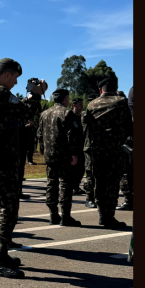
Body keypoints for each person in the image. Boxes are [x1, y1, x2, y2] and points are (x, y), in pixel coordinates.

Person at [0, 58, 45, 279]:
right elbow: (26, 112)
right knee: (7, 206)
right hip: (2, 157)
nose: (16, 83)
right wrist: (36, 94)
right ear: (6, 75)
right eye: (15, 78)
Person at [83, 77, 131, 229]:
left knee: (100, 183)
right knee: (112, 184)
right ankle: (109, 216)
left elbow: (87, 127)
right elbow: (129, 125)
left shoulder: (91, 104)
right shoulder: (121, 102)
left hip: (97, 150)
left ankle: (102, 215)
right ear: (115, 88)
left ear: (100, 90)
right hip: (115, 150)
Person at [40, 89, 82, 226]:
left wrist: (43, 150)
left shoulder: (44, 114)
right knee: (65, 185)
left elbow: (39, 135)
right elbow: (72, 135)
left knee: (51, 184)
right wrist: (74, 153)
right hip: (64, 156)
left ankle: (53, 215)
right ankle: (65, 216)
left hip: (50, 156)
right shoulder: (67, 113)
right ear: (65, 99)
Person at [117, 86, 134, 211]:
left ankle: (129, 200)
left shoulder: (123, 112)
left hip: (127, 145)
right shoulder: (127, 111)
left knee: (125, 173)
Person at [81, 91, 99, 208]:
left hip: (99, 147)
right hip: (89, 147)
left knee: (99, 174)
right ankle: (89, 198)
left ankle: (97, 197)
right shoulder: (86, 113)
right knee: (90, 174)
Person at [69, 98, 86, 197]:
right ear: (74, 105)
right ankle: (72, 187)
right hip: (73, 147)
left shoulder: (82, 117)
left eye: (82, 104)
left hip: (81, 146)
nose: (81, 106)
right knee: (73, 169)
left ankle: (76, 186)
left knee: (81, 169)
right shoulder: (70, 116)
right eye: (79, 104)